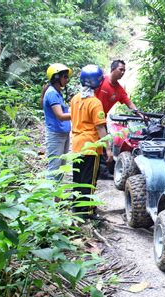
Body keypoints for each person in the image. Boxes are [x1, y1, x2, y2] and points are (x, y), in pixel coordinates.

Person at [70, 64, 112, 218]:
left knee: (78, 178)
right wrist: (108, 149)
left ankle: (77, 208)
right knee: (89, 180)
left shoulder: (74, 99)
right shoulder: (95, 102)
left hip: (76, 144)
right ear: (99, 82)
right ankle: (87, 213)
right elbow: (100, 128)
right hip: (90, 145)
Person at [94, 59, 140, 179]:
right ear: (112, 69)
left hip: (101, 119)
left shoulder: (119, 89)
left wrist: (139, 113)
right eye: (120, 69)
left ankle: (102, 172)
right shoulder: (101, 81)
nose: (122, 72)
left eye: (124, 70)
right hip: (90, 117)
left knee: (104, 144)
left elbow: (127, 101)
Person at [41, 63, 72, 181]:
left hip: (63, 134)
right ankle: (49, 197)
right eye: (65, 76)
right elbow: (60, 115)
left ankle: (57, 198)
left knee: (61, 168)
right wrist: (78, 114)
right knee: (54, 169)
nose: (67, 79)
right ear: (56, 78)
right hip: (56, 135)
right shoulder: (52, 93)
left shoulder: (57, 92)